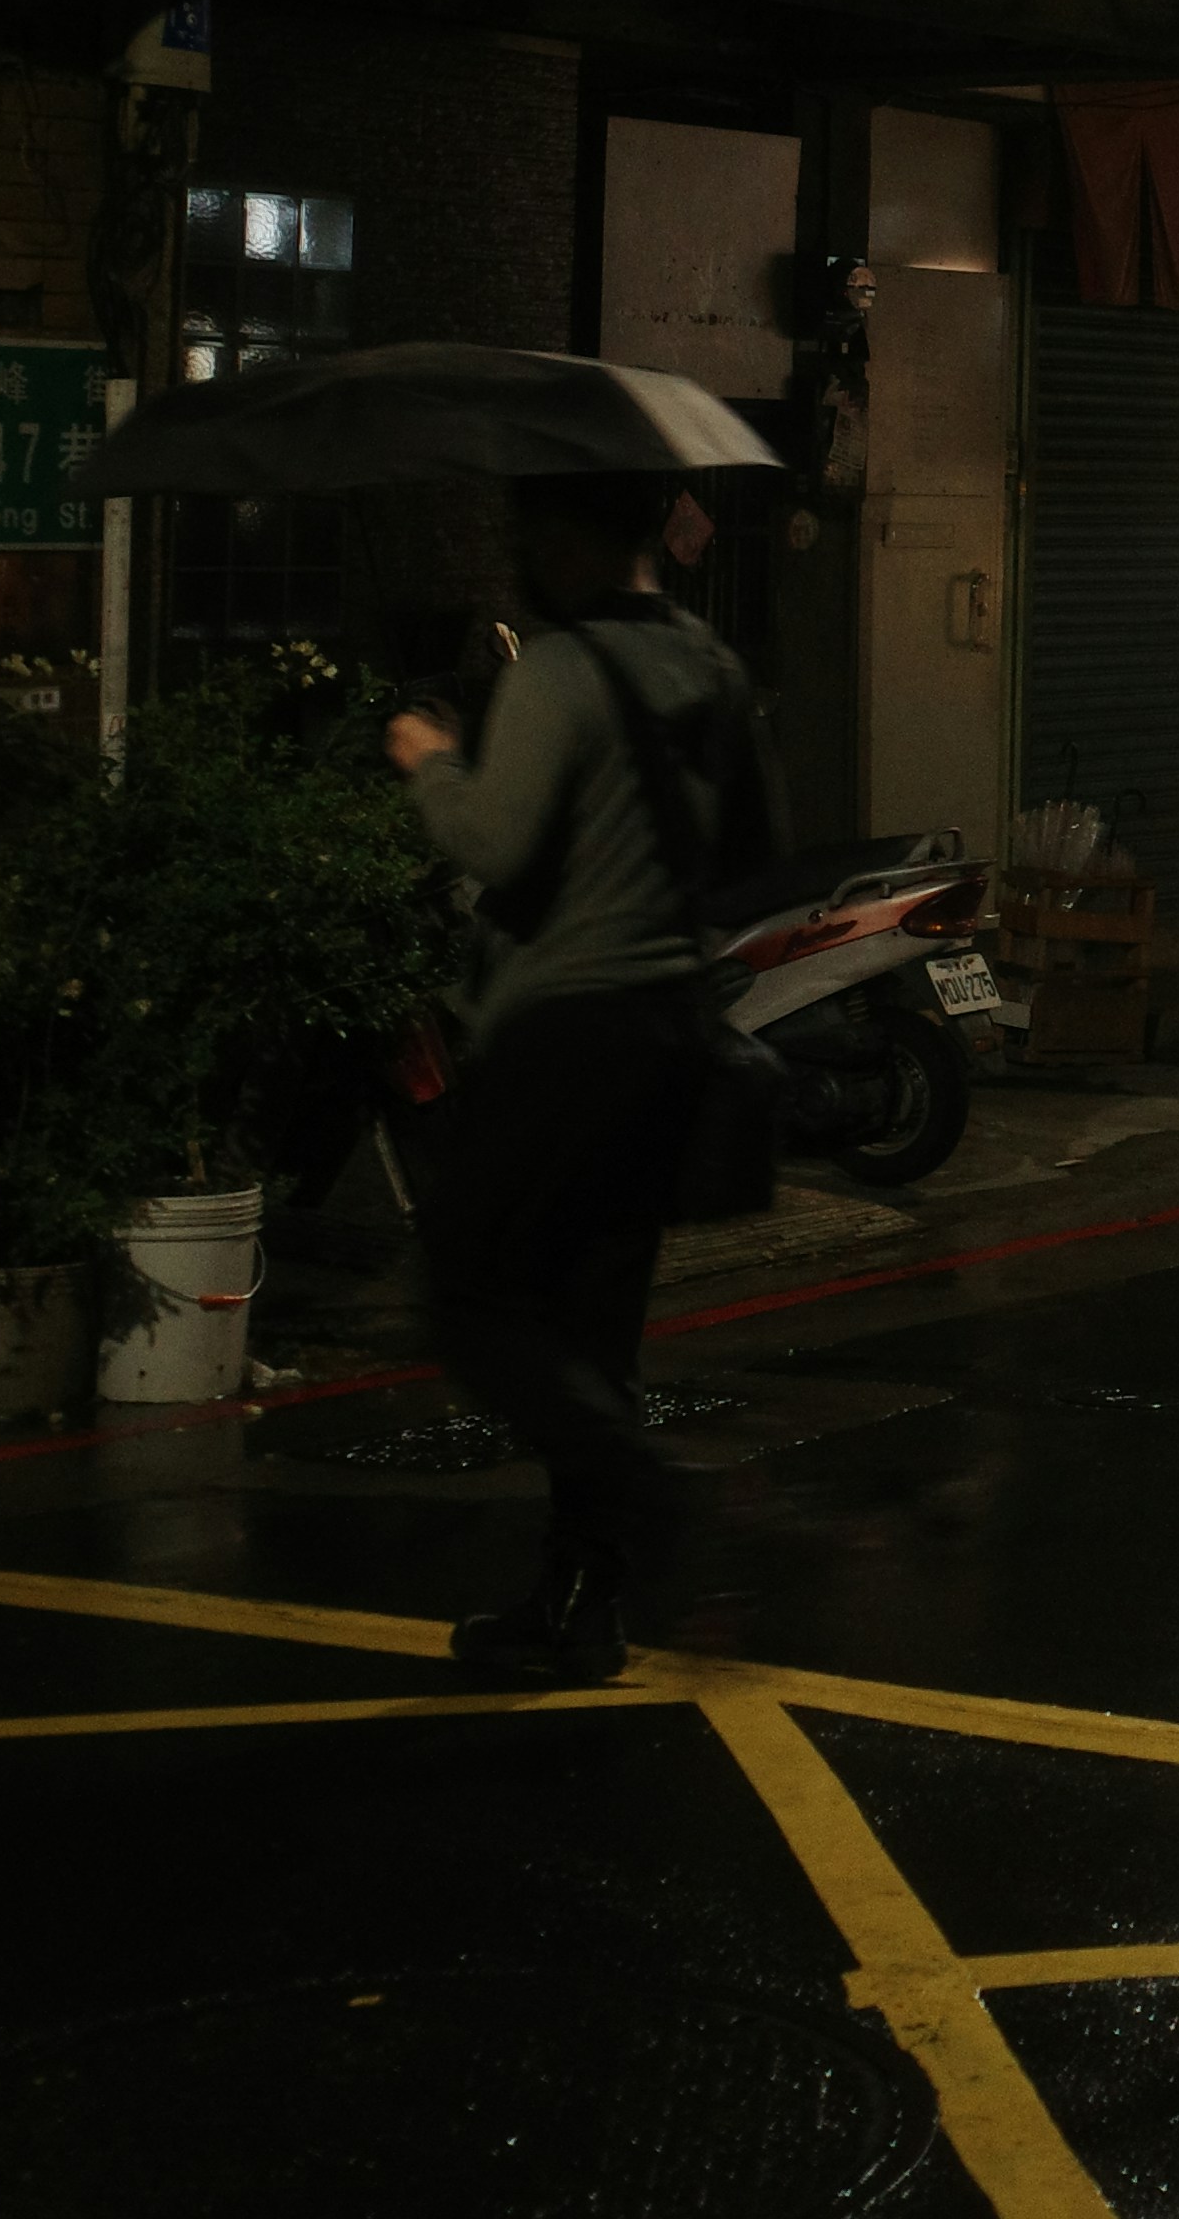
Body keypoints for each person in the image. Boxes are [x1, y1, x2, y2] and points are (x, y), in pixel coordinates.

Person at [383, 473, 762, 1681]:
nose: (520, 553)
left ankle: (629, 1486)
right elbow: (757, 843)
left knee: (469, 1287)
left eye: (530, 528)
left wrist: (432, 757)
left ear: (569, 534)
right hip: (667, 1036)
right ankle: (580, 1602)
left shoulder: (558, 669)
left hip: (563, 1032)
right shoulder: (711, 664)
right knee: (593, 1326)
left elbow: (491, 840)